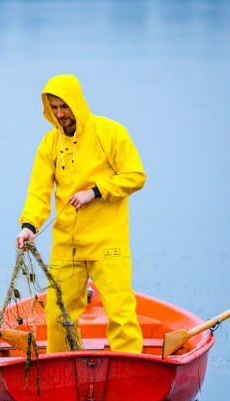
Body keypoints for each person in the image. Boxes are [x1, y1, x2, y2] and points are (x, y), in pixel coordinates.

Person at [15, 74, 146, 353]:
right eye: (54, 107)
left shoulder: (109, 133)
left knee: (121, 314)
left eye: (64, 106)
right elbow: (38, 192)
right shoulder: (50, 143)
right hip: (67, 244)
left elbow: (135, 176)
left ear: (77, 102)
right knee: (57, 315)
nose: (60, 114)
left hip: (107, 242)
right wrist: (29, 226)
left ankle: (130, 366)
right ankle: (63, 366)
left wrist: (95, 191)